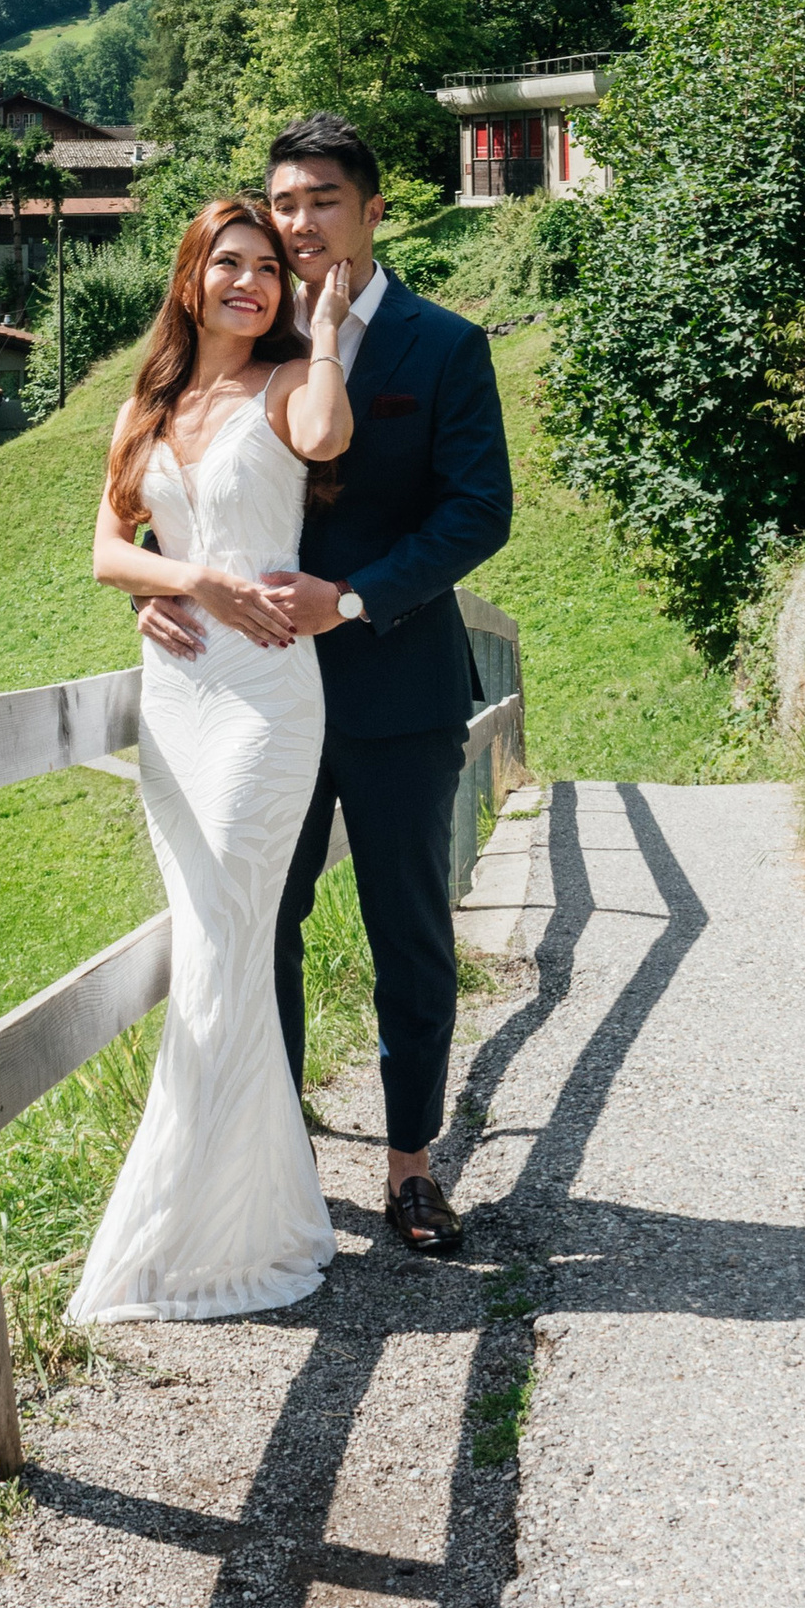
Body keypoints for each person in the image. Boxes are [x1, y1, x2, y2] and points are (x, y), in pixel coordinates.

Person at [141, 110, 512, 1257]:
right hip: (252, 699)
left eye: (322, 202)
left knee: (406, 928)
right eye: (283, 202)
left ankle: (410, 1170)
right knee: (266, 923)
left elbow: (476, 515)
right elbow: (179, 473)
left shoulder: (442, 347)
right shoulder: (242, 336)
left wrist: (350, 599)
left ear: (372, 209)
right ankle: (282, 1161)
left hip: (393, 689)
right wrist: (163, 586)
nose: (299, 224)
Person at [70, 195, 357, 1321]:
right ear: (189, 277)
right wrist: (184, 583)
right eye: (228, 263)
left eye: (267, 270)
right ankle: (259, 1211)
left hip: (269, 697)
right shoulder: (144, 406)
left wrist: (324, 327)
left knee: (231, 934)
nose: (250, 282)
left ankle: (188, 1221)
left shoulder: (289, 384)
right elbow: (106, 553)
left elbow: (328, 438)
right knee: (211, 942)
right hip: (180, 696)